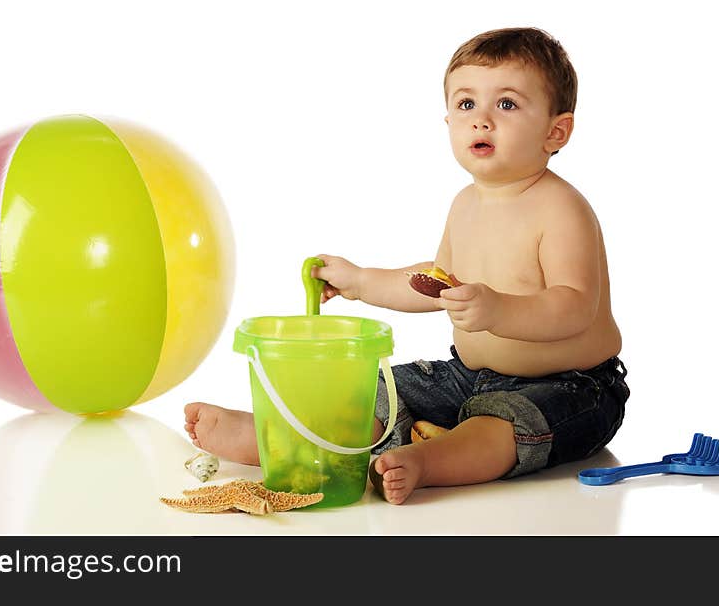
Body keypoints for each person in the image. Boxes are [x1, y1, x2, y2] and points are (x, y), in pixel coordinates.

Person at [184, 27, 629, 505]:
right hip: (468, 374)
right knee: (377, 391)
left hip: (571, 386)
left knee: (502, 423)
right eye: (465, 105)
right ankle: (282, 439)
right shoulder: (465, 205)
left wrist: (499, 311)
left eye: (506, 104)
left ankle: (427, 462)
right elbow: (434, 284)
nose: (481, 120)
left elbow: (575, 306)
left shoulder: (561, 209)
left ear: (555, 131)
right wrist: (360, 282)